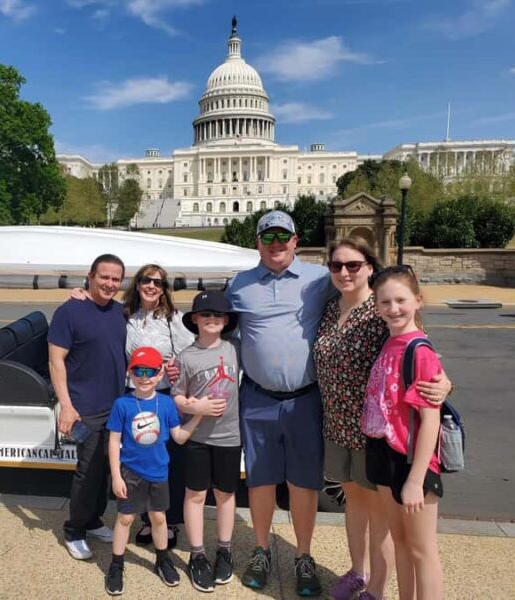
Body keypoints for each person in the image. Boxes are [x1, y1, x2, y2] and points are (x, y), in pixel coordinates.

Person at [313, 238, 451, 600]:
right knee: (355, 505)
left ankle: (375, 586)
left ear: (370, 268)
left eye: (354, 265)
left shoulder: (379, 316)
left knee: (389, 525)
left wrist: (445, 385)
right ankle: (358, 572)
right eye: (337, 265)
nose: (344, 271)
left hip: (384, 437)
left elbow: (424, 362)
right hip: (340, 424)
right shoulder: (329, 309)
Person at [226, 211, 334, 597]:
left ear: (295, 240)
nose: (275, 243)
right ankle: (260, 549)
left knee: (302, 482)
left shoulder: (320, 279)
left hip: (305, 399)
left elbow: (369, 303)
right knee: (260, 480)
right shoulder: (239, 284)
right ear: (257, 242)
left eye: (282, 236)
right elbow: (219, 330)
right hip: (257, 398)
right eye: (267, 236)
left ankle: (303, 556)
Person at [72, 263, 197, 549]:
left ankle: (169, 522)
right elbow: (98, 306)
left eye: (158, 282)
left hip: (165, 398)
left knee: (167, 463)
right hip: (133, 397)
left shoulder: (173, 319)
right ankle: (145, 519)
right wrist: (79, 292)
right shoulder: (124, 315)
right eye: (146, 280)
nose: (151, 286)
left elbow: (190, 351)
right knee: (137, 461)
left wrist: (176, 367)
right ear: (137, 284)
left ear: (164, 288)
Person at [362, 266, 445, 600]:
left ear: (418, 301)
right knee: (400, 542)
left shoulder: (419, 351)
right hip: (384, 453)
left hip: (412, 461)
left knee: (422, 550)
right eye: (385, 302)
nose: (393, 308)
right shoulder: (390, 343)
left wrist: (415, 478)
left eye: (400, 300)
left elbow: (430, 420)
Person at [48, 253, 127, 561]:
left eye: (115, 279)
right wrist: (66, 406)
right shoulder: (70, 311)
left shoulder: (121, 312)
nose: (109, 283)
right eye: (104, 277)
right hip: (85, 407)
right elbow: (56, 361)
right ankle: (74, 530)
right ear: (90, 276)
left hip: (117, 406)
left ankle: (93, 520)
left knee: (108, 469)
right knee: (88, 470)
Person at [105, 346, 202, 596]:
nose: (145, 376)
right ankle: (116, 565)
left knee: (159, 518)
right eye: (138, 370)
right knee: (125, 518)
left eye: (151, 371)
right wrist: (116, 475)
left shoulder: (167, 404)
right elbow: (114, 441)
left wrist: (198, 416)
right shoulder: (122, 404)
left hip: (159, 472)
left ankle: (162, 559)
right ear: (130, 373)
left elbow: (178, 437)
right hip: (130, 472)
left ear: (160, 375)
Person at [172, 289, 241, 593]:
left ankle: (224, 549)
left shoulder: (235, 348)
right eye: (206, 315)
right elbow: (176, 395)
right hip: (198, 437)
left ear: (226, 320)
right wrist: (193, 407)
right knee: (196, 495)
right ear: (195, 319)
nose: (212, 319)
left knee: (225, 494)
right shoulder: (186, 357)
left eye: (218, 315)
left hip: (229, 435)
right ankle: (197, 554)